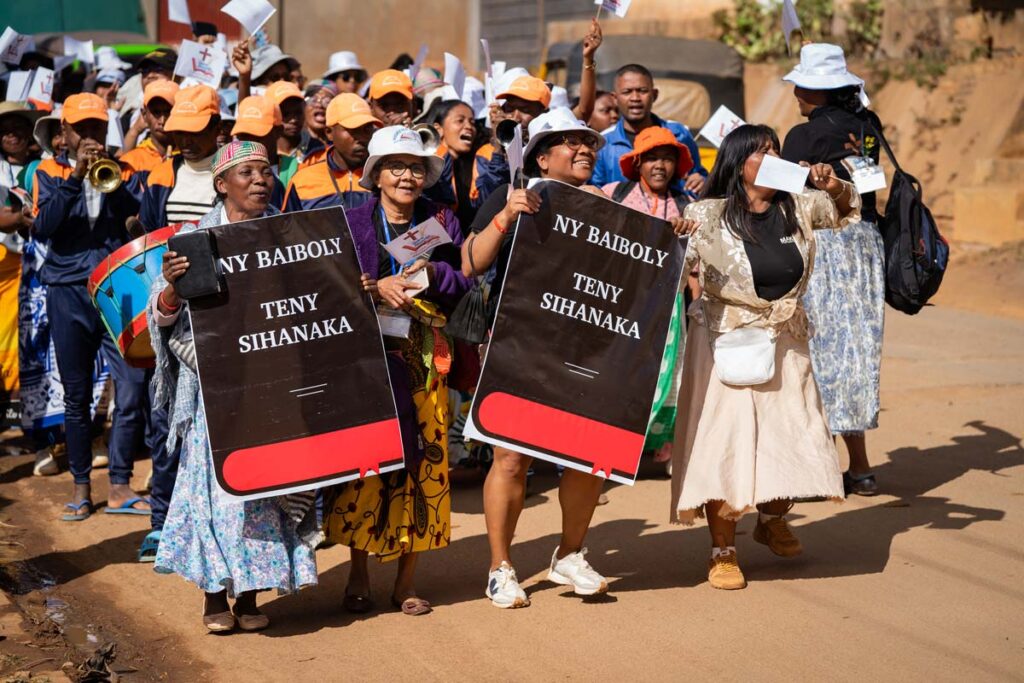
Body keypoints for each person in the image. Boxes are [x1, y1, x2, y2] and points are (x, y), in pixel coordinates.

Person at [669, 124, 860, 590]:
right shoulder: (706, 214)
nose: (774, 157)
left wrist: (831, 183)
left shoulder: (798, 205)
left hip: (786, 338)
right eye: (762, 151)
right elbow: (669, 266)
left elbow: (844, 210)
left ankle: (772, 515)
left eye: (776, 149)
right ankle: (723, 551)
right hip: (723, 341)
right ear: (738, 163)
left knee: (791, 436)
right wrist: (676, 238)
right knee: (723, 443)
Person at [151, 140, 318, 632]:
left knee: (263, 490)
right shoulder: (194, 242)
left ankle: (247, 595)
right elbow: (160, 318)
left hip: (274, 385)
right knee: (217, 490)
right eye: (247, 173)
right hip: (217, 390)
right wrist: (171, 290)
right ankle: (213, 598)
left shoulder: (287, 235)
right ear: (222, 185)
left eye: (266, 171)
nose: (261, 180)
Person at [461, 108, 612, 608]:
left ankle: (569, 554)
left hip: (584, 350)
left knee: (591, 458)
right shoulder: (511, 197)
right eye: (570, 142)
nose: (584, 149)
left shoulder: (605, 205)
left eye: (588, 142)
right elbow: (469, 262)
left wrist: (666, 235)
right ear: (542, 158)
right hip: (519, 344)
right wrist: (506, 215)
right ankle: (500, 568)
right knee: (511, 458)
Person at [323, 126, 471, 616]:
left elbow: (459, 281)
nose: (407, 176)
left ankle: (406, 580)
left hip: (425, 359)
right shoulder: (352, 222)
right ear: (377, 175)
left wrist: (429, 274)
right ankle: (359, 572)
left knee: (424, 465)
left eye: (415, 167)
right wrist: (371, 286)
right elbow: (330, 285)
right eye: (396, 166)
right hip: (366, 361)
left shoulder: (438, 220)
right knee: (366, 467)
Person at [32, 93, 150, 520]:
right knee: (77, 395)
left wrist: (112, 180)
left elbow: (135, 221)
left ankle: (119, 484)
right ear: (63, 133)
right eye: (81, 129)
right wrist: (74, 178)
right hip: (66, 289)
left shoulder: (126, 170)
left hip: (115, 287)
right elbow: (43, 228)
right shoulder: (47, 171)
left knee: (133, 385)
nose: (90, 137)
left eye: (97, 128)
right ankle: (81, 486)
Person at [781, 43, 886, 497]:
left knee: (814, 356)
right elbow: (870, 185)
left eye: (801, 86)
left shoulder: (801, 138)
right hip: (865, 252)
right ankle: (860, 468)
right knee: (854, 357)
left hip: (821, 250)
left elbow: (782, 196)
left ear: (817, 91)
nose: (796, 95)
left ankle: (819, 469)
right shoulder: (868, 125)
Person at [602, 126, 694, 465]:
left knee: (668, 378)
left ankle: (661, 450)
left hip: (668, 312)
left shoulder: (687, 206)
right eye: (652, 157)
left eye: (667, 159)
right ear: (637, 162)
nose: (660, 166)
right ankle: (610, 453)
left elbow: (695, 267)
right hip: (619, 306)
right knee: (618, 378)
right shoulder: (613, 193)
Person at [592, 64, 707, 194]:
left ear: (654, 95)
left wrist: (701, 180)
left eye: (642, 91)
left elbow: (698, 176)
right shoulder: (603, 143)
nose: (635, 98)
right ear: (615, 98)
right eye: (627, 92)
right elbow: (596, 192)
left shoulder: (678, 134)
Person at [0, 103, 42, 430]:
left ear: (30, 133)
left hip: (32, 262)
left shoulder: (42, 168)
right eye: (5, 128)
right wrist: (19, 219)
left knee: (24, 334)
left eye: (18, 126)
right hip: (3, 260)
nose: (11, 134)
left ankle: (18, 407)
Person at [140, 85, 222, 228]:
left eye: (194, 131)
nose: (185, 141)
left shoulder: (242, 172)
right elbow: (148, 237)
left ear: (217, 128)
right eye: (179, 132)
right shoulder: (160, 176)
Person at [283, 93, 381, 210]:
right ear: (329, 132)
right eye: (352, 130)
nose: (361, 138)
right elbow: (288, 227)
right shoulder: (302, 180)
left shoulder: (384, 176)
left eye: (367, 129)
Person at [229, 94, 300, 208]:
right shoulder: (229, 172)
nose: (248, 143)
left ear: (278, 131)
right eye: (243, 135)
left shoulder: (295, 170)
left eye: (257, 136)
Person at [421, 99, 479, 232]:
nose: (469, 126)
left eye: (472, 122)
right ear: (438, 129)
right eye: (460, 120)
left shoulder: (476, 163)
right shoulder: (424, 165)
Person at [120, 80, 179, 175]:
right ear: (144, 115)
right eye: (156, 112)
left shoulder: (192, 159)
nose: (162, 121)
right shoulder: (131, 162)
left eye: (168, 112)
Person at [264, 81, 306, 177]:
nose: (293, 120)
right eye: (285, 114)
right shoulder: (264, 155)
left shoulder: (316, 149)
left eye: (298, 112)